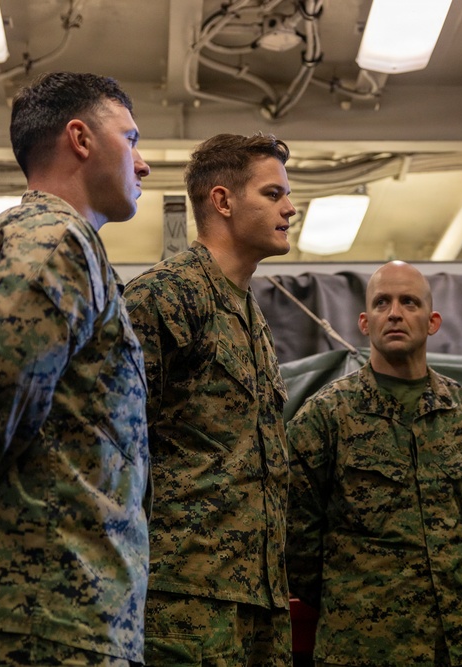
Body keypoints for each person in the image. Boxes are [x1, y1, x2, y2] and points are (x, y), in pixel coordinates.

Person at [0, 71, 152, 666]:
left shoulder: (51, 238)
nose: (143, 164)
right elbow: (3, 380)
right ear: (80, 138)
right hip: (43, 609)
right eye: (131, 139)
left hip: (52, 604)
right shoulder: (54, 237)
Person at [123, 133, 296, 666]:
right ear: (222, 201)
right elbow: (113, 446)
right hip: (183, 600)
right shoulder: (163, 297)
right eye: (273, 194)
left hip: (260, 599)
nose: (290, 209)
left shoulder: (250, 317)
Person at [286, 260, 462, 667]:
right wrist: (356, 599)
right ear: (365, 322)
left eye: (409, 302)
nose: (394, 313)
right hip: (365, 648)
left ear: (433, 321)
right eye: (382, 303)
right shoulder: (324, 419)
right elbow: (297, 542)